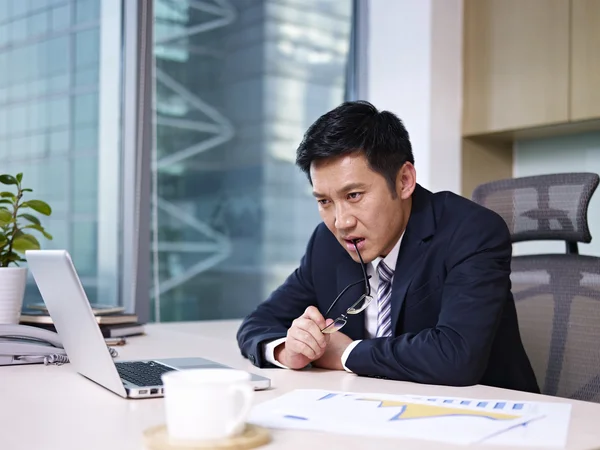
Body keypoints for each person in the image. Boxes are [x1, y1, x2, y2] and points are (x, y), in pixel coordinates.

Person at [236, 100, 540, 393]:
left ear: (404, 180)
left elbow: (457, 356)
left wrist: (347, 353)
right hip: (370, 411)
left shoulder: (470, 231)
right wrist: (287, 350)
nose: (341, 222)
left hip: (488, 420)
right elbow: (258, 324)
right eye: (324, 201)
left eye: (354, 195)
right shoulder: (327, 243)